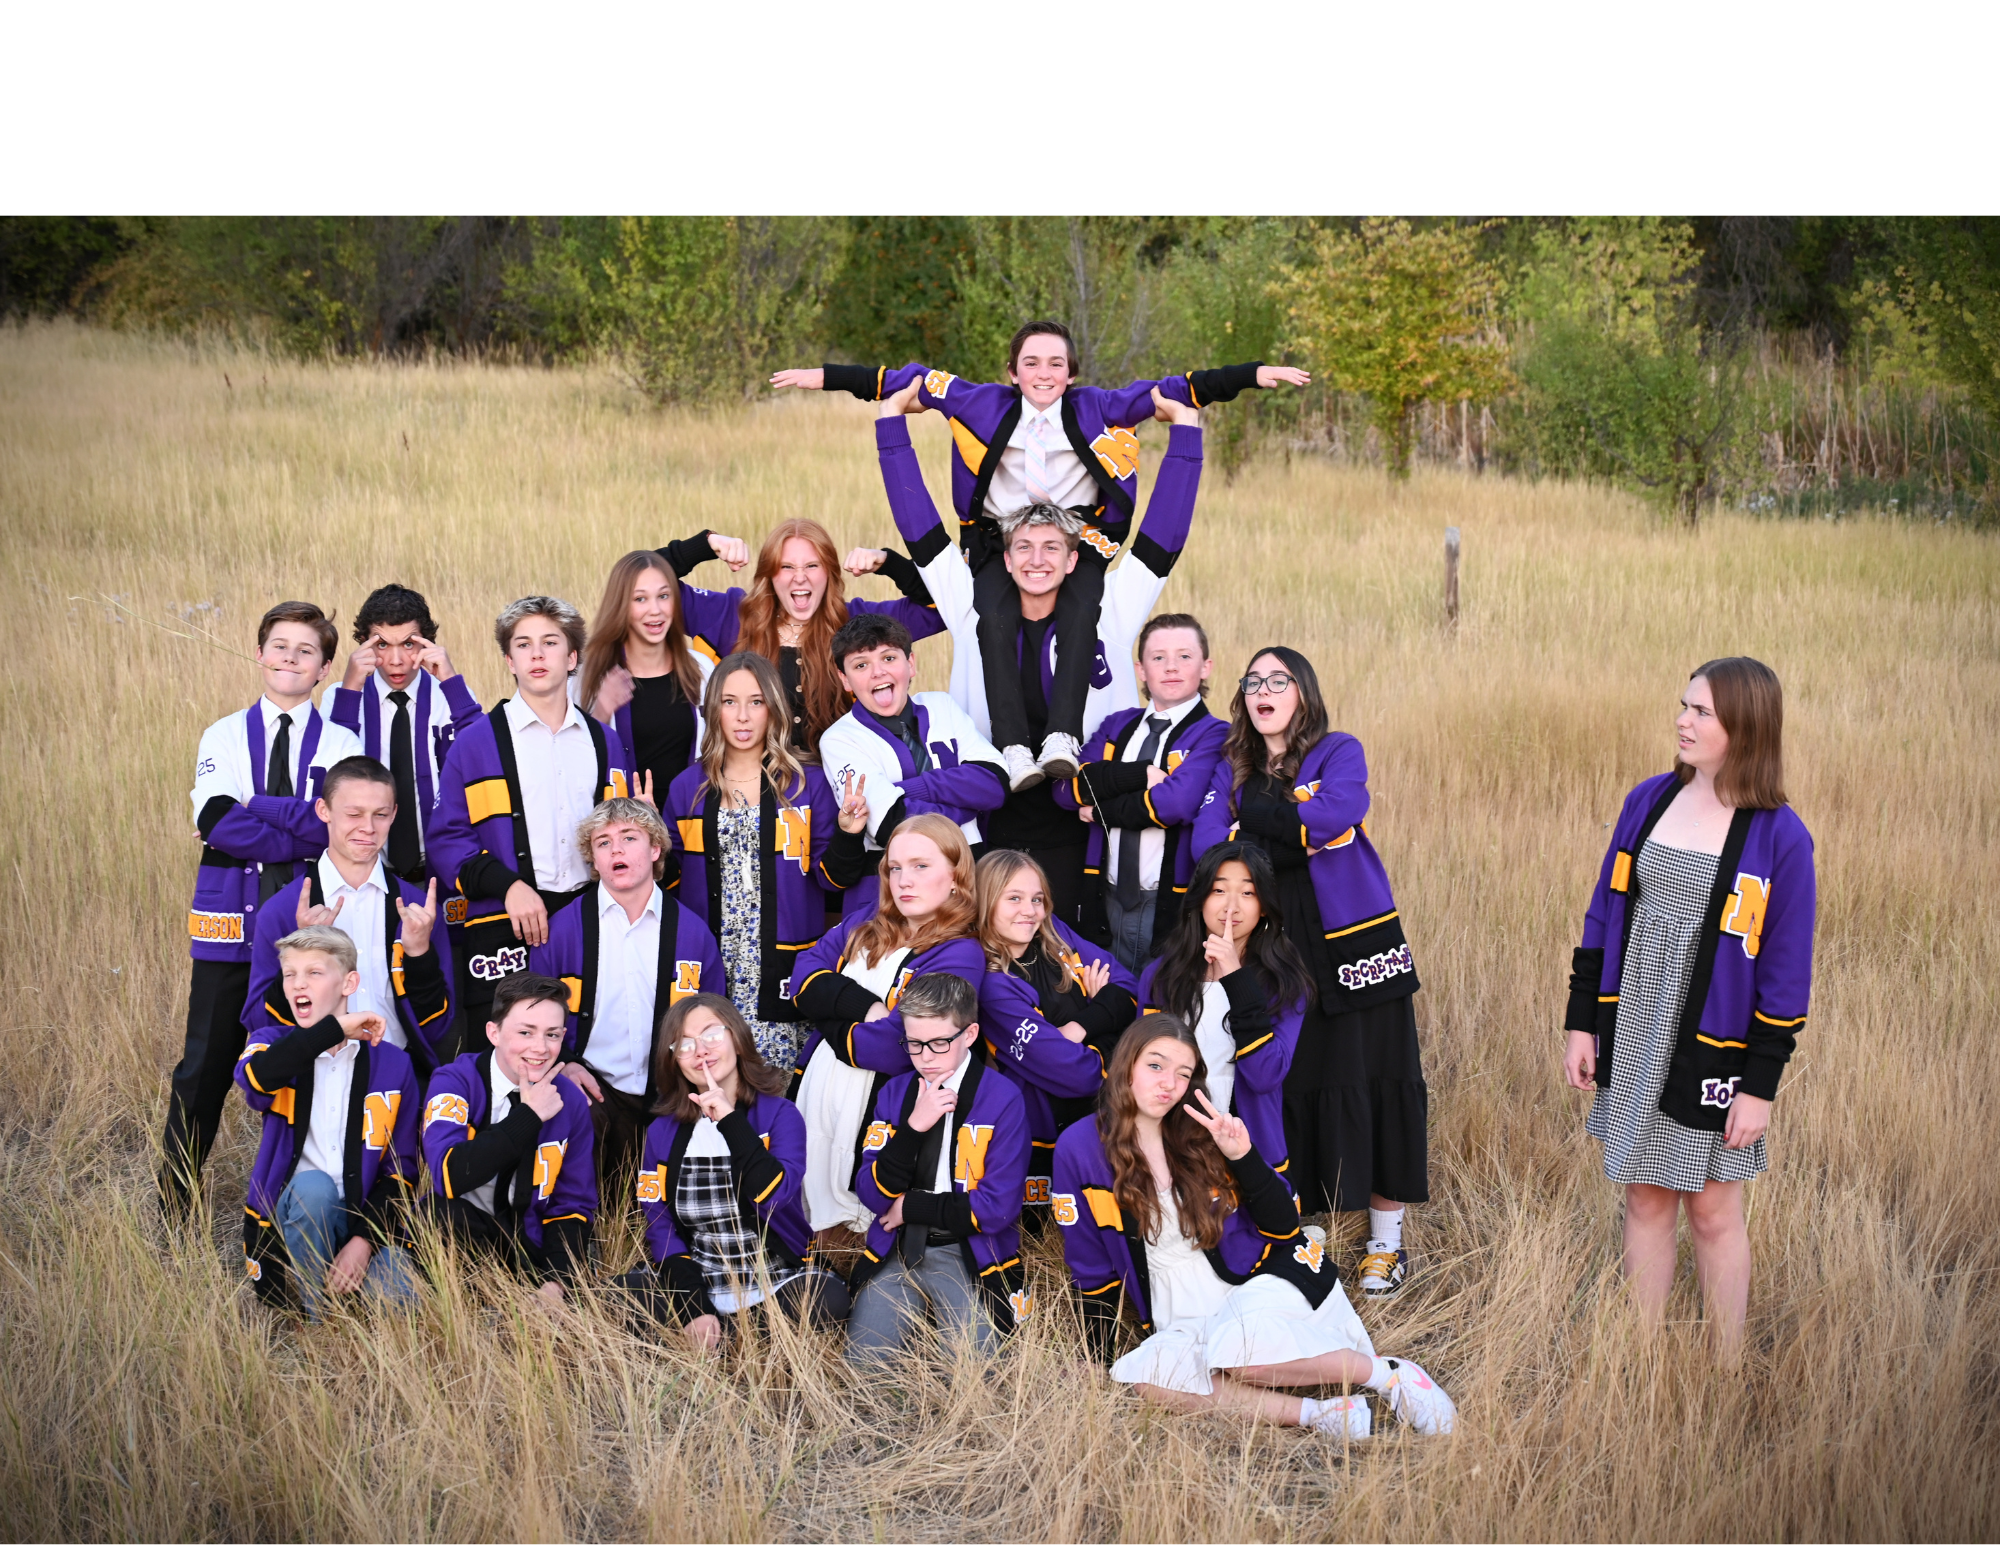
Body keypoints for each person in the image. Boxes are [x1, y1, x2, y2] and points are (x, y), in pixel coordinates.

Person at [778, 323, 1305, 784]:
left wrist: (1242, 381)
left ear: (1072, 374)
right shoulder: (978, 407)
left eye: (1057, 362)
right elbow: (904, 382)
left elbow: (1178, 394)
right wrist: (840, 388)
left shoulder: (1099, 415)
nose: (1044, 372)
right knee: (993, 619)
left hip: (1087, 543)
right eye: (1031, 361)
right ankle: (1010, 748)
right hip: (990, 544)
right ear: (1011, 372)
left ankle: (1062, 740)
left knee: (1081, 614)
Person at [874, 379, 1204, 930]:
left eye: (1052, 547)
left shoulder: (1111, 611)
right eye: (1023, 546)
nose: (1036, 559)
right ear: (1004, 560)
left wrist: (1187, 435)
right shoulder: (971, 607)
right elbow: (920, 527)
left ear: (1073, 560)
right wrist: (891, 426)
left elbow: (1163, 536)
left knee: (1070, 956)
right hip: (987, 825)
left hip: (1081, 824)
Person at [1563, 658, 1815, 1361]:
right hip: (1636, 1024)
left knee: (1711, 1207)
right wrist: (1581, 1021)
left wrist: (1759, 1085)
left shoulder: (1780, 837)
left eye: (1702, 711)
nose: (1684, 720)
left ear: (1746, 726)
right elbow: (1602, 914)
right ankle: (1641, 1362)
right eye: (1684, 705)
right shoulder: (1647, 800)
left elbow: (1787, 973)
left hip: (1716, 1045)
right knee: (1644, 1196)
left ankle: (1725, 1366)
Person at [1051, 1018, 1454, 1437]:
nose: (1168, 1083)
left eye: (1183, 1074)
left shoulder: (1203, 1130)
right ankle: (1324, 1415)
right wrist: (1096, 1356)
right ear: (1126, 1064)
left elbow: (1283, 1226)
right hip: (1180, 1306)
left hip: (1257, 1278)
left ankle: (1392, 1376)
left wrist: (1242, 1156)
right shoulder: (1079, 1149)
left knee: (1241, 1355)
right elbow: (1090, 1266)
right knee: (1145, 1375)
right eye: (1156, 1065)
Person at [1192, 648, 1428, 1298]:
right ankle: (1304, 1228)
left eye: (1279, 680)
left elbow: (1337, 812)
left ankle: (1385, 1240)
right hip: (1276, 949)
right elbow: (1208, 846)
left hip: (1356, 948)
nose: (1264, 690)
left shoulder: (1336, 751)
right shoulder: (1229, 765)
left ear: (1303, 692)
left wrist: (1259, 821)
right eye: (1253, 681)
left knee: (1378, 1079)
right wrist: (1288, 825)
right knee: (1289, 1083)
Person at [162, 599, 363, 1220]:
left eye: (306, 651)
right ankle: (175, 1204)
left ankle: (292, 1208)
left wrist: (261, 808)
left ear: (324, 667)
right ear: (260, 653)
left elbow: (333, 830)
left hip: (308, 931)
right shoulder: (221, 733)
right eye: (280, 646)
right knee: (205, 1066)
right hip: (230, 926)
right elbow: (217, 820)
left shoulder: (341, 740)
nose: (291, 658)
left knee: (305, 1059)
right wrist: (297, 817)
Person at [429, 596, 634, 1047]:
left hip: (586, 919)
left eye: (550, 642)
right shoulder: (475, 743)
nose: (537, 655)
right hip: (502, 924)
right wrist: (508, 886)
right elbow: (446, 838)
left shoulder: (605, 743)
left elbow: (620, 837)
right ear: (509, 661)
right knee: (507, 1055)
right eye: (523, 645)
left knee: (585, 1047)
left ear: (573, 657)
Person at [789, 814, 984, 1249]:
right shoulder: (867, 920)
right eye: (894, 868)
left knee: (855, 1229)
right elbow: (802, 977)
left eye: (920, 866)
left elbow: (896, 1047)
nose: (903, 880)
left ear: (955, 876)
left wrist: (826, 1014)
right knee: (802, 1215)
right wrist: (865, 1006)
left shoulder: (959, 954)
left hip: (877, 1105)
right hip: (818, 1089)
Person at [618, 995, 851, 1347]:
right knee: (618, 1296)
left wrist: (729, 1121)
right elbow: (659, 1224)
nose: (701, 1050)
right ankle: (717, 1330)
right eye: (685, 1044)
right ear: (674, 1060)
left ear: (737, 1039)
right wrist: (693, 1306)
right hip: (699, 1280)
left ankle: (726, 1338)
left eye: (712, 1034)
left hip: (776, 1280)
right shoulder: (662, 1132)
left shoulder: (780, 1116)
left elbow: (772, 1196)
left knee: (827, 1300)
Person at [663, 652, 851, 1074]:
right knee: (709, 1081)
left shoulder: (806, 784)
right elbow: (670, 886)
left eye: (756, 702)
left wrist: (849, 833)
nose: (742, 716)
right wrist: (650, 845)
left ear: (774, 709)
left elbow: (831, 880)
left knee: (773, 1086)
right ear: (713, 710)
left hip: (778, 966)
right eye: (729, 702)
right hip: (711, 961)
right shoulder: (687, 788)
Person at [527, 797, 725, 1196]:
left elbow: (715, 1022)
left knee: (660, 1204)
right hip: (593, 1088)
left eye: (629, 838)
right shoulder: (563, 930)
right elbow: (531, 1019)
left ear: (655, 850)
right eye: (603, 843)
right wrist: (562, 1064)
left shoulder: (691, 932)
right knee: (570, 1133)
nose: (615, 849)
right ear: (593, 860)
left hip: (670, 1089)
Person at [235, 926, 421, 1317]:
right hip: (295, 1214)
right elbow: (255, 1082)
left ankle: (347, 1287)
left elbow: (402, 1171)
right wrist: (333, 1029)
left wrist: (364, 1241)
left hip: (363, 1218)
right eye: (290, 975)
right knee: (316, 1189)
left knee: (400, 1301)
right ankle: (318, 1317)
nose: (298, 984)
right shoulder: (270, 1043)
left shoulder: (393, 1064)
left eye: (314, 973)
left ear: (348, 982)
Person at [848, 972, 1031, 1362]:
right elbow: (869, 1192)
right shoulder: (895, 1092)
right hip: (897, 1246)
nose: (925, 1057)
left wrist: (911, 1206)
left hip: (966, 1250)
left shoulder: (1003, 1098)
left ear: (969, 1034)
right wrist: (913, 1127)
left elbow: (997, 1208)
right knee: (864, 1368)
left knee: (979, 1376)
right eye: (914, 1044)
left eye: (939, 1043)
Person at [654, 519, 943, 755]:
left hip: (837, 794)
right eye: (786, 567)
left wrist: (888, 563)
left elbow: (942, 608)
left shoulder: (857, 624)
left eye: (812, 566)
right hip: (748, 792)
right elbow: (640, 584)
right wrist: (705, 545)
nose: (799, 578)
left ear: (829, 572)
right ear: (769, 574)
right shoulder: (731, 614)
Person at [243, 756, 453, 1076]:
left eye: (380, 815)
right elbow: (261, 1021)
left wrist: (418, 954)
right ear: (323, 811)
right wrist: (302, 949)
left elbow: (438, 1025)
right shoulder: (281, 911)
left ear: (394, 813)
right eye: (353, 813)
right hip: (312, 1075)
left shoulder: (417, 908)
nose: (368, 828)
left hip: (399, 1075)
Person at [1056, 612, 1228, 971]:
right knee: (1105, 991)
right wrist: (1139, 774)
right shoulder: (1117, 726)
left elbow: (1176, 804)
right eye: (1158, 657)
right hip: (1103, 891)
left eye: (1184, 656)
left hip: (1165, 898)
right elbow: (1065, 789)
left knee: (1157, 1001)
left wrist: (1100, 808)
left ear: (1206, 666)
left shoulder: (1214, 733)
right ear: (1140, 669)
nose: (1171, 667)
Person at [971, 849, 1136, 1217]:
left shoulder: (1054, 934)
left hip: (1099, 1115)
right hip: (1045, 1128)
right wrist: (1111, 1026)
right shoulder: (993, 984)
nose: (1029, 911)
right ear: (985, 901)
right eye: (1013, 898)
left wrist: (1082, 1026)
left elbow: (1130, 987)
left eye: (1037, 899)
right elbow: (1075, 1073)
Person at [1135, 843, 1311, 1182]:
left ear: (1264, 907)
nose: (1231, 906)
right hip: (1173, 1143)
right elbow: (1144, 1068)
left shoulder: (1286, 984)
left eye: (1248, 892)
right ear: (1200, 898)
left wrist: (1236, 979)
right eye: (1218, 890)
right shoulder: (1160, 977)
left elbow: (1265, 1075)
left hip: (1248, 1150)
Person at [422, 972, 598, 1306]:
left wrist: (556, 1283)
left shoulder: (569, 1100)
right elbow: (450, 1175)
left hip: (529, 1244)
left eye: (552, 1035)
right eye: (525, 1032)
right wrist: (528, 1117)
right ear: (494, 1032)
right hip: (463, 1232)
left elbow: (573, 1204)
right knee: (437, 1212)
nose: (540, 1048)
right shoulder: (455, 1082)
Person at [816, 613, 1007, 914]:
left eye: (889, 658)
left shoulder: (942, 705)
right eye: (861, 665)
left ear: (911, 664)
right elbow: (890, 823)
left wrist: (910, 789)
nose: (878, 672)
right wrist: (967, 805)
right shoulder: (839, 739)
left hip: (966, 881)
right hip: (891, 895)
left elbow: (995, 784)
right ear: (844, 679)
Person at [327, 583, 484, 883]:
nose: (396, 660)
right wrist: (350, 688)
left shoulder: (450, 694)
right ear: (364, 644)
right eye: (383, 645)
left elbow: (484, 759)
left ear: (426, 643)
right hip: (367, 870)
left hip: (442, 868)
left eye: (408, 644)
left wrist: (451, 680)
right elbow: (331, 774)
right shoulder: (342, 696)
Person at [578, 550, 713, 816]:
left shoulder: (701, 668)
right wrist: (602, 711)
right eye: (640, 599)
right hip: (622, 833)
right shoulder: (589, 675)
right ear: (621, 606)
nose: (656, 610)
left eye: (664, 596)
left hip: (690, 829)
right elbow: (570, 766)